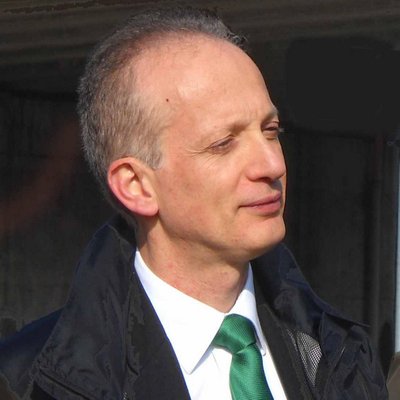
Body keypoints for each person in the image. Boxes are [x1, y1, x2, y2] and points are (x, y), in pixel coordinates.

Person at [0, 6, 388, 400]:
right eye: (223, 143)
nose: (272, 165)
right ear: (136, 186)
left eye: (270, 131)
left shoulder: (339, 354)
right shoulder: (29, 382)